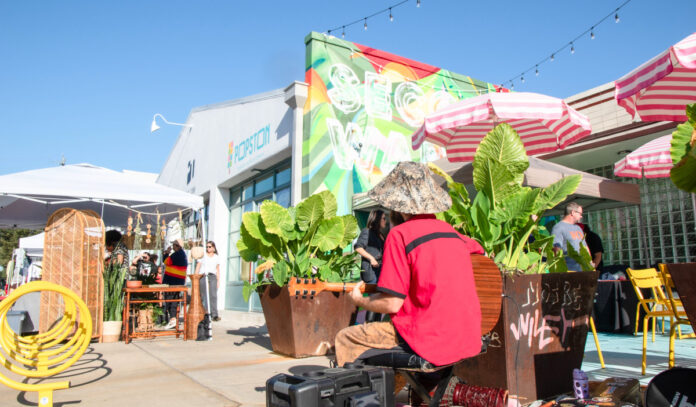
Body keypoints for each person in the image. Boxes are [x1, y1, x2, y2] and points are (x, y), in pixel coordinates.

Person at [335, 161, 484, 370]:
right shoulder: (452, 233)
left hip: (430, 342)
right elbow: (481, 251)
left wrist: (361, 300)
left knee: (346, 338)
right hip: (468, 338)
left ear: (397, 204)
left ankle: (369, 400)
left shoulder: (400, 235)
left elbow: (392, 304)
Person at [551, 202, 592, 271]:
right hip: (569, 269)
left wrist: (590, 262)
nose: (581, 216)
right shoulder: (558, 227)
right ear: (573, 212)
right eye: (580, 213)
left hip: (582, 269)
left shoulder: (578, 228)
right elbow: (556, 249)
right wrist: (561, 267)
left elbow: (585, 247)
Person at [162, 238, 188, 329]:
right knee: (173, 299)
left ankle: (173, 319)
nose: (172, 247)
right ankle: (172, 319)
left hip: (173, 281)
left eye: (173, 245)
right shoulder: (182, 254)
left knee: (171, 300)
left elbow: (166, 262)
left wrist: (166, 253)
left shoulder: (177, 254)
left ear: (177, 246)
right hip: (177, 280)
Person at [195, 241, 220, 322]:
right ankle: (203, 313)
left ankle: (214, 314)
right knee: (203, 295)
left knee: (213, 295)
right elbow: (198, 266)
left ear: (213, 248)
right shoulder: (203, 256)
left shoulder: (216, 257)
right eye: (207, 247)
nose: (208, 248)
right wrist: (196, 276)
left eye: (209, 247)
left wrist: (218, 280)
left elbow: (217, 269)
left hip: (212, 276)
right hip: (203, 275)